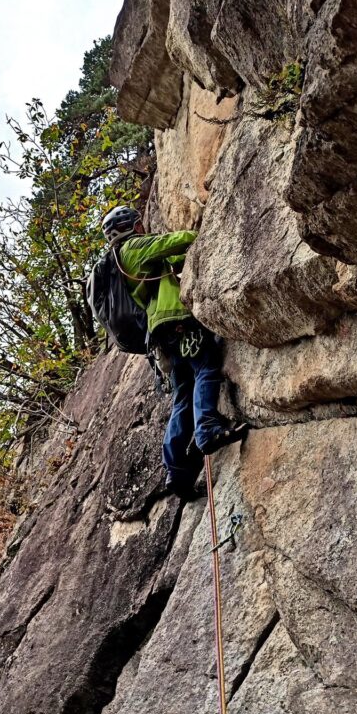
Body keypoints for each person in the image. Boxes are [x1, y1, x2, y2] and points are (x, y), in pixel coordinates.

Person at [102, 205, 248, 500]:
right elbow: (174, 241)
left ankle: (176, 470)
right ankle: (206, 427)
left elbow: (173, 260)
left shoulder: (124, 263)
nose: (143, 227)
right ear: (132, 227)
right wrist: (206, 234)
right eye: (138, 223)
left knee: (183, 396)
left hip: (160, 333)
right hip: (177, 320)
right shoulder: (134, 247)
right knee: (206, 366)